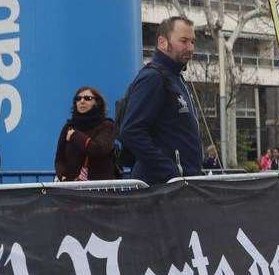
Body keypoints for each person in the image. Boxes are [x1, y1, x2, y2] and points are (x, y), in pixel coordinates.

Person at [118, 14, 202, 185]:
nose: (190, 47)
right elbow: (130, 131)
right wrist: (171, 172)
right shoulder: (153, 78)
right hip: (160, 191)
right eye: (184, 41)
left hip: (179, 187)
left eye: (192, 41)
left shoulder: (176, 78)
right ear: (162, 43)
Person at [54, 85, 118, 181]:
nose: (82, 101)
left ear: (97, 102)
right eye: (78, 99)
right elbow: (59, 158)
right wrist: (61, 174)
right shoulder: (69, 126)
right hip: (72, 188)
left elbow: (98, 150)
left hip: (100, 189)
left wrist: (74, 136)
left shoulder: (107, 125)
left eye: (88, 98)